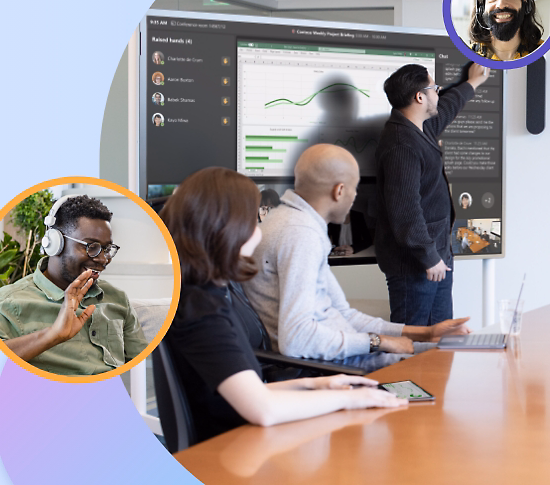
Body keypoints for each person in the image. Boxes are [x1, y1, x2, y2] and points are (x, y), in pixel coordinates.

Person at [160, 167, 405, 445]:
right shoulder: (200, 311)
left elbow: (253, 389)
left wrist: (317, 384)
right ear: (226, 228)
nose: (258, 232)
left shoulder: (207, 294)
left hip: (242, 436)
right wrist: (349, 398)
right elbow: (263, 409)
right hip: (230, 448)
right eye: (252, 222)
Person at [244, 145, 471, 368]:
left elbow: (344, 314)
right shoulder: (300, 234)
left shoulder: (289, 221)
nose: (355, 196)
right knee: (453, 361)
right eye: (355, 188)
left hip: (347, 355)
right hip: (333, 368)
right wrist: (378, 342)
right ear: (339, 191)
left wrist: (426, 332)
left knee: (452, 350)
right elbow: (296, 339)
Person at [375, 61, 491, 326]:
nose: (438, 93)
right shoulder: (401, 144)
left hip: (436, 257)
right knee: (414, 345)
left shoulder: (418, 128)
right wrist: (429, 257)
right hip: (417, 265)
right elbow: (405, 211)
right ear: (419, 97)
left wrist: (472, 82)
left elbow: (446, 109)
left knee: (442, 338)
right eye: (434, 88)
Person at [0, 195, 147, 376]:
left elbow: (144, 367)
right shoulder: (6, 304)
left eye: (107, 249)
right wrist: (52, 335)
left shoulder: (117, 298)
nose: (103, 259)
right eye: (91, 246)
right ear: (55, 243)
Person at [467, 0, 544, 61]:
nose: (501, 5)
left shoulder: (546, 53)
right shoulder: (465, 57)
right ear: (482, 9)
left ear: (525, 5)